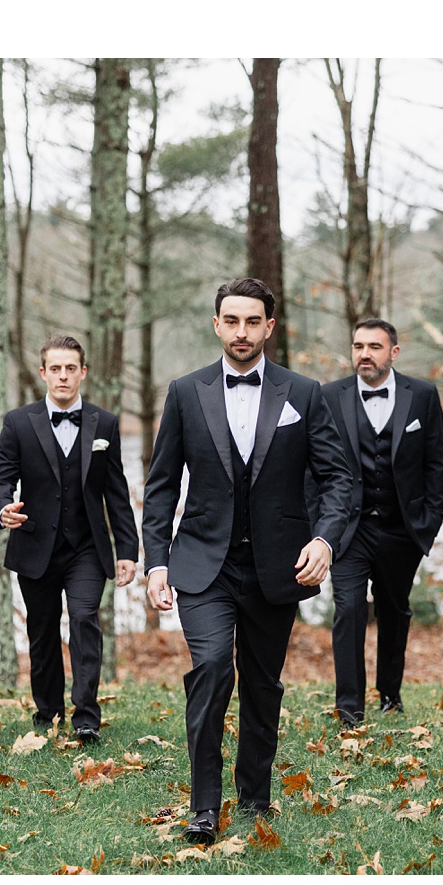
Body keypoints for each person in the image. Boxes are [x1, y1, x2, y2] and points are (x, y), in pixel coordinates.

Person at [143, 278, 354, 845]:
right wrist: (156, 564)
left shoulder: (304, 393)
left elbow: (339, 479)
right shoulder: (186, 392)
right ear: (217, 324)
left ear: (269, 327)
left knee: (263, 683)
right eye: (231, 320)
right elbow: (162, 486)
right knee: (212, 669)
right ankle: (204, 806)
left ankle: (255, 794)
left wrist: (325, 541)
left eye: (251, 321)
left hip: (277, 566)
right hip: (201, 564)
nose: (241, 332)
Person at [0, 334, 139, 744]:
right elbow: (1, 477)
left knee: (86, 619)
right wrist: (3, 508)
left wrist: (128, 550)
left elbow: (116, 491)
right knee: (42, 630)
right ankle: (48, 711)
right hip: (35, 545)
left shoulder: (104, 423)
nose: (63, 376)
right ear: (43, 373)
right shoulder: (18, 422)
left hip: (87, 546)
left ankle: (87, 716)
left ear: (83, 372)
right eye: (55, 368)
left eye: (71, 368)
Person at [315, 318, 443, 726]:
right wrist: (318, 527)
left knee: (394, 611)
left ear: (394, 352)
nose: (364, 354)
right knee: (349, 610)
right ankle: (350, 707)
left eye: (374, 346)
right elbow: (313, 467)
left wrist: (426, 524)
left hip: (400, 530)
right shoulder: (328, 396)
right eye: (358, 346)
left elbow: (435, 466)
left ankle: (390, 694)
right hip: (347, 530)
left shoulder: (422, 396)